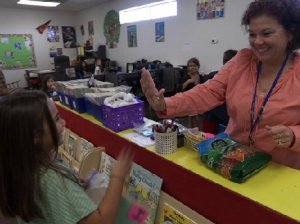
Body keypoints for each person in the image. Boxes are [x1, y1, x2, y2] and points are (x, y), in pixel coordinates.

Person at [140, 0, 300, 170]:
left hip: (279, 171)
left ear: (290, 33)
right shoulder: (242, 60)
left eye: (266, 34)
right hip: (233, 161)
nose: (257, 42)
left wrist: (293, 135)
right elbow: (208, 92)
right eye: (252, 34)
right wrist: (165, 104)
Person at [0, 90, 134, 223]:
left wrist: (74, 183)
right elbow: (101, 220)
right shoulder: (52, 178)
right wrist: (118, 176)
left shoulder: (22, 166)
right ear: (35, 136)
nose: (63, 122)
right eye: (57, 119)